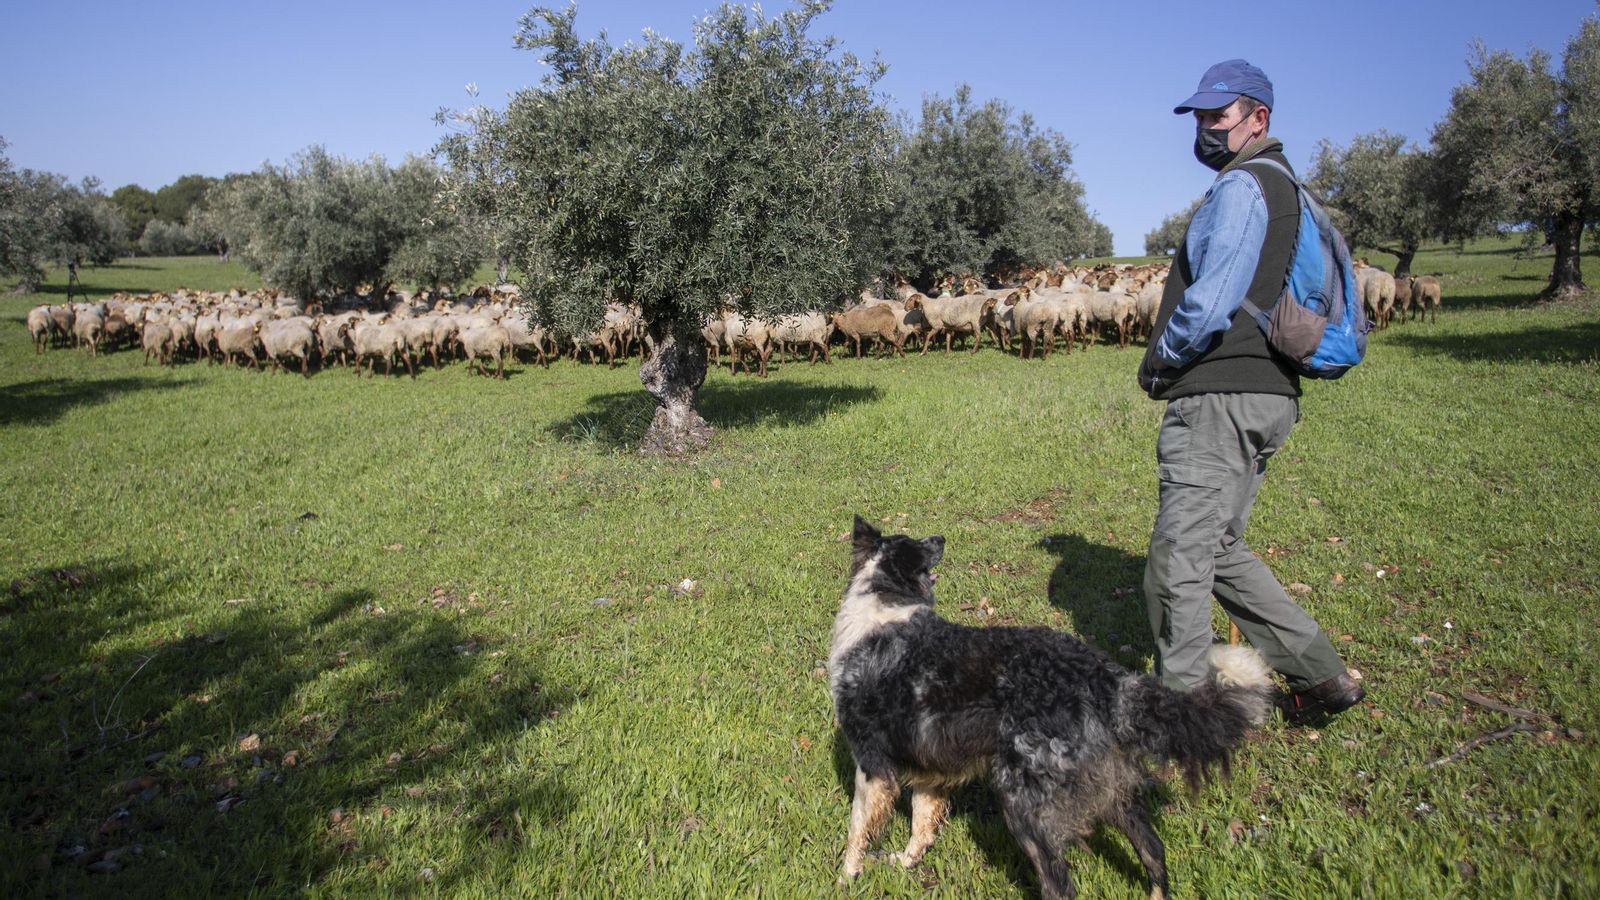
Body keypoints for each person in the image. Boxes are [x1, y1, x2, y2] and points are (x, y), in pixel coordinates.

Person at [1136, 59, 1365, 723]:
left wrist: (1163, 359)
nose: (1207, 128)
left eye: (1219, 115)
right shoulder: (1287, 186)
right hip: (1268, 395)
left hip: (1221, 395)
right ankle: (1321, 676)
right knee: (1220, 549)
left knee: (1178, 559)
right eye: (1200, 116)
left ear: (1258, 118)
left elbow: (1212, 302)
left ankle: (1181, 716)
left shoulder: (1244, 187)